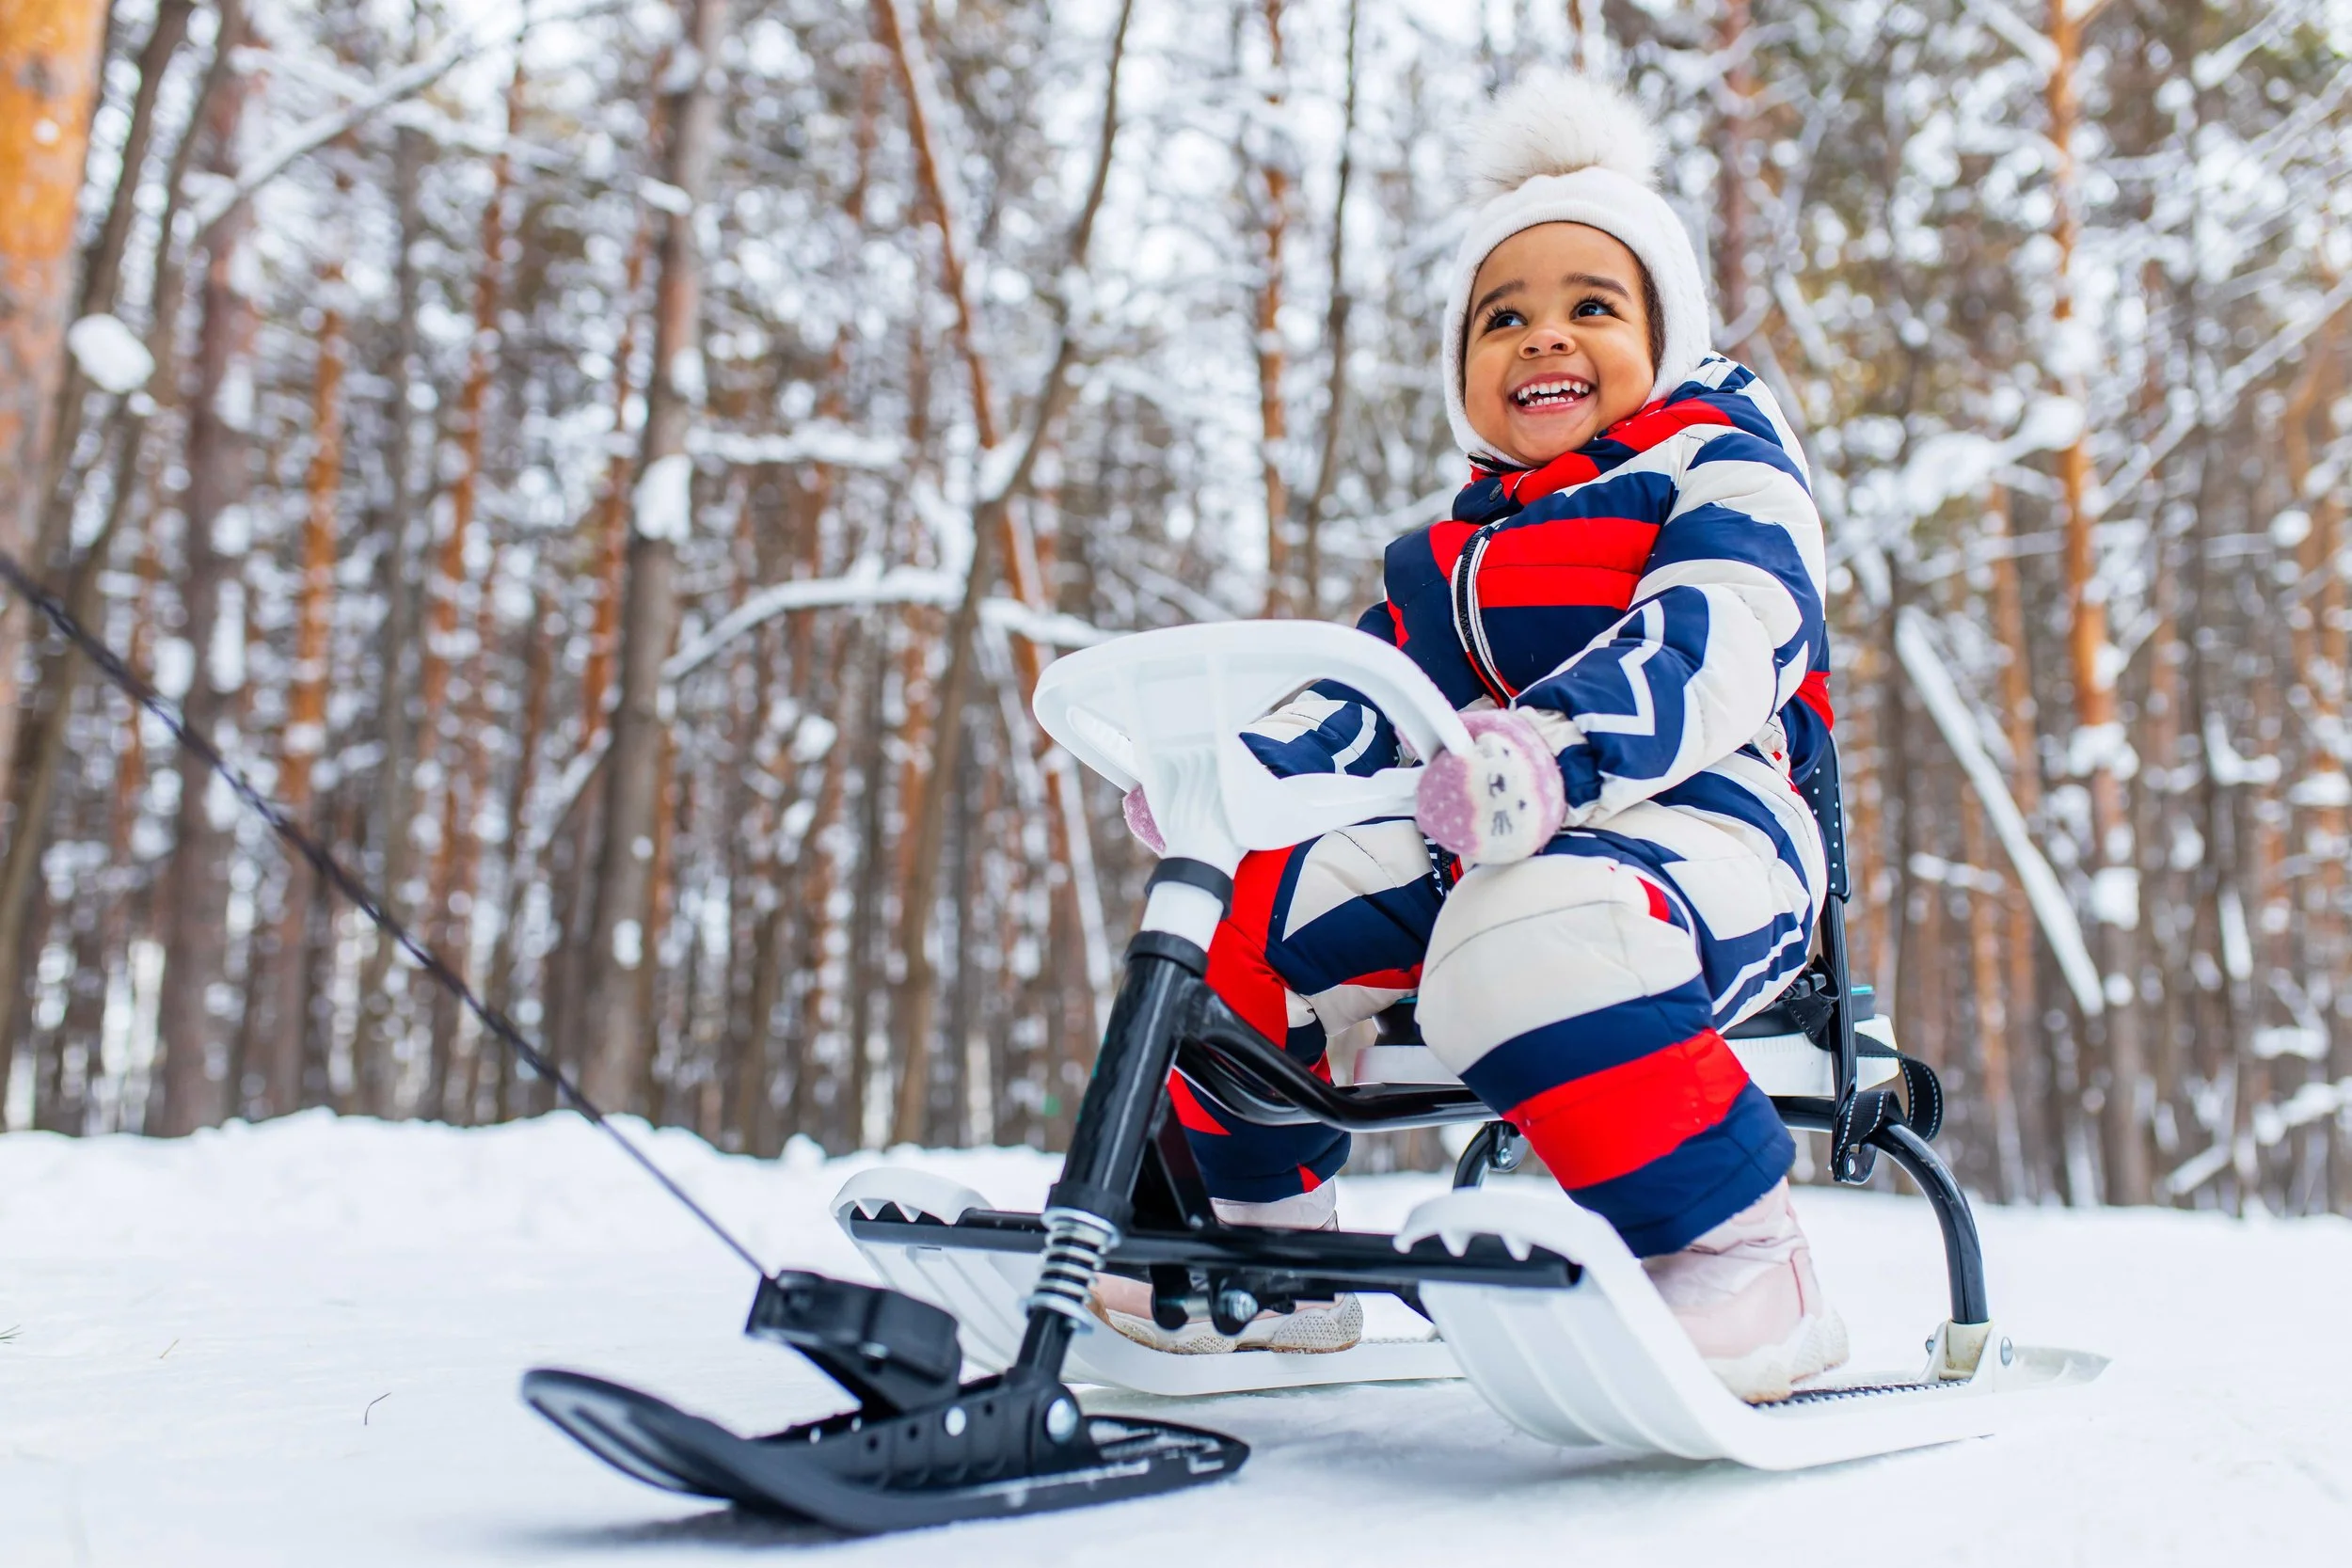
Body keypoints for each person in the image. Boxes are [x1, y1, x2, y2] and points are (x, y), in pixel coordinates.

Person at [1090, 68, 1845, 1403]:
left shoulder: (1721, 464)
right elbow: (1358, 695)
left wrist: (1555, 745)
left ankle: (1740, 1248)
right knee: (1229, 912)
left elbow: (1720, 632)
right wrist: (1229, 782)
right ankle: (1269, 1247)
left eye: (1591, 308)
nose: (1543, 340)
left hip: (1701, 833)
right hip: (1476, 840)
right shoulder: (1453, 554)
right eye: (1504, 317)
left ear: (1663, 337)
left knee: (1526, 930)